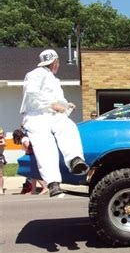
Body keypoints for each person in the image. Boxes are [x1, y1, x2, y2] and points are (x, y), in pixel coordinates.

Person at [20, 49, 89, 197]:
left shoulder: (54, 80)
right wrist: (51, 105)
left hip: (54, 116)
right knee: (45, 145)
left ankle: (75, 160)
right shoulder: (35, 74)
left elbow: (59, 103)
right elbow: (33, 93)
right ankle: (53, 183)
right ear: (55, 62)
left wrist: (66, 107)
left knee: (68, 127)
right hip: (37, 117)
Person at [13, 129, 48, 194]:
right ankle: (33, 191)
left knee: (35, 174)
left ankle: (45, 188)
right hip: (33, 156)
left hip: (32, 156)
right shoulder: (26, 138)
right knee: (32, 175)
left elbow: (29, 147)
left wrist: (28, 154)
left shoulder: (24, 139)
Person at [0, 127, 5, 195]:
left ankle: (1, 189)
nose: (0, 135)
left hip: (0, 158)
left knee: (0, 175)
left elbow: (4, 144)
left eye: (1, 133)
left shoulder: (2, 140)